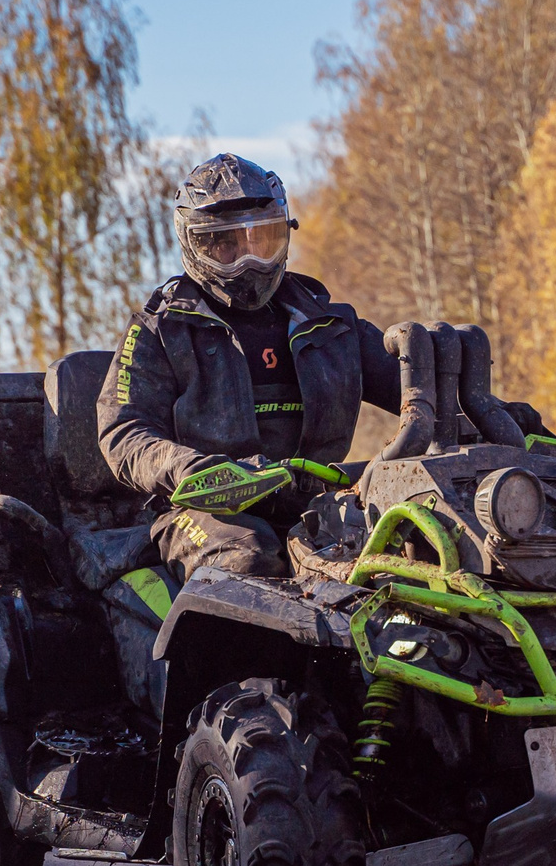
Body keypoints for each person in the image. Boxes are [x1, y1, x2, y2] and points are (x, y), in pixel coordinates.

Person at [96, 153, 404, 580]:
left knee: (413, 548)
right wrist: (189, 469)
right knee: (251, 558)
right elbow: (124, 433)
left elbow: (417, 393)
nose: (249, 262)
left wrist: (496, 415)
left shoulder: (329, 323)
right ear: (194, 246)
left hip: (320, 502)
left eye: (263, 241)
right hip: (203, 511)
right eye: (226, 246)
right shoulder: (159, 330)